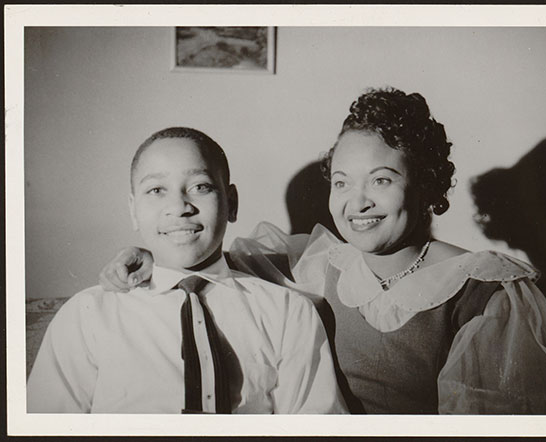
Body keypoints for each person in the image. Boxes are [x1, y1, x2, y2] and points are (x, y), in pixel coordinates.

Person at [100, 89, 546, 414]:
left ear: (425, 185)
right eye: (342, 182)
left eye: (382, 180)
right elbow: (213, 261)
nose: (357, 202)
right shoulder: (323, 262)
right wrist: (147, 253)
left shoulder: (479, 289)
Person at [27, 127, 347, 414]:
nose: (180, 207)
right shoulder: (87, 315)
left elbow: (316, 423)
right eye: (156, 191)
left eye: (200, 187)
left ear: (231, 203)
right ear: (133, 210)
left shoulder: (288, 312)